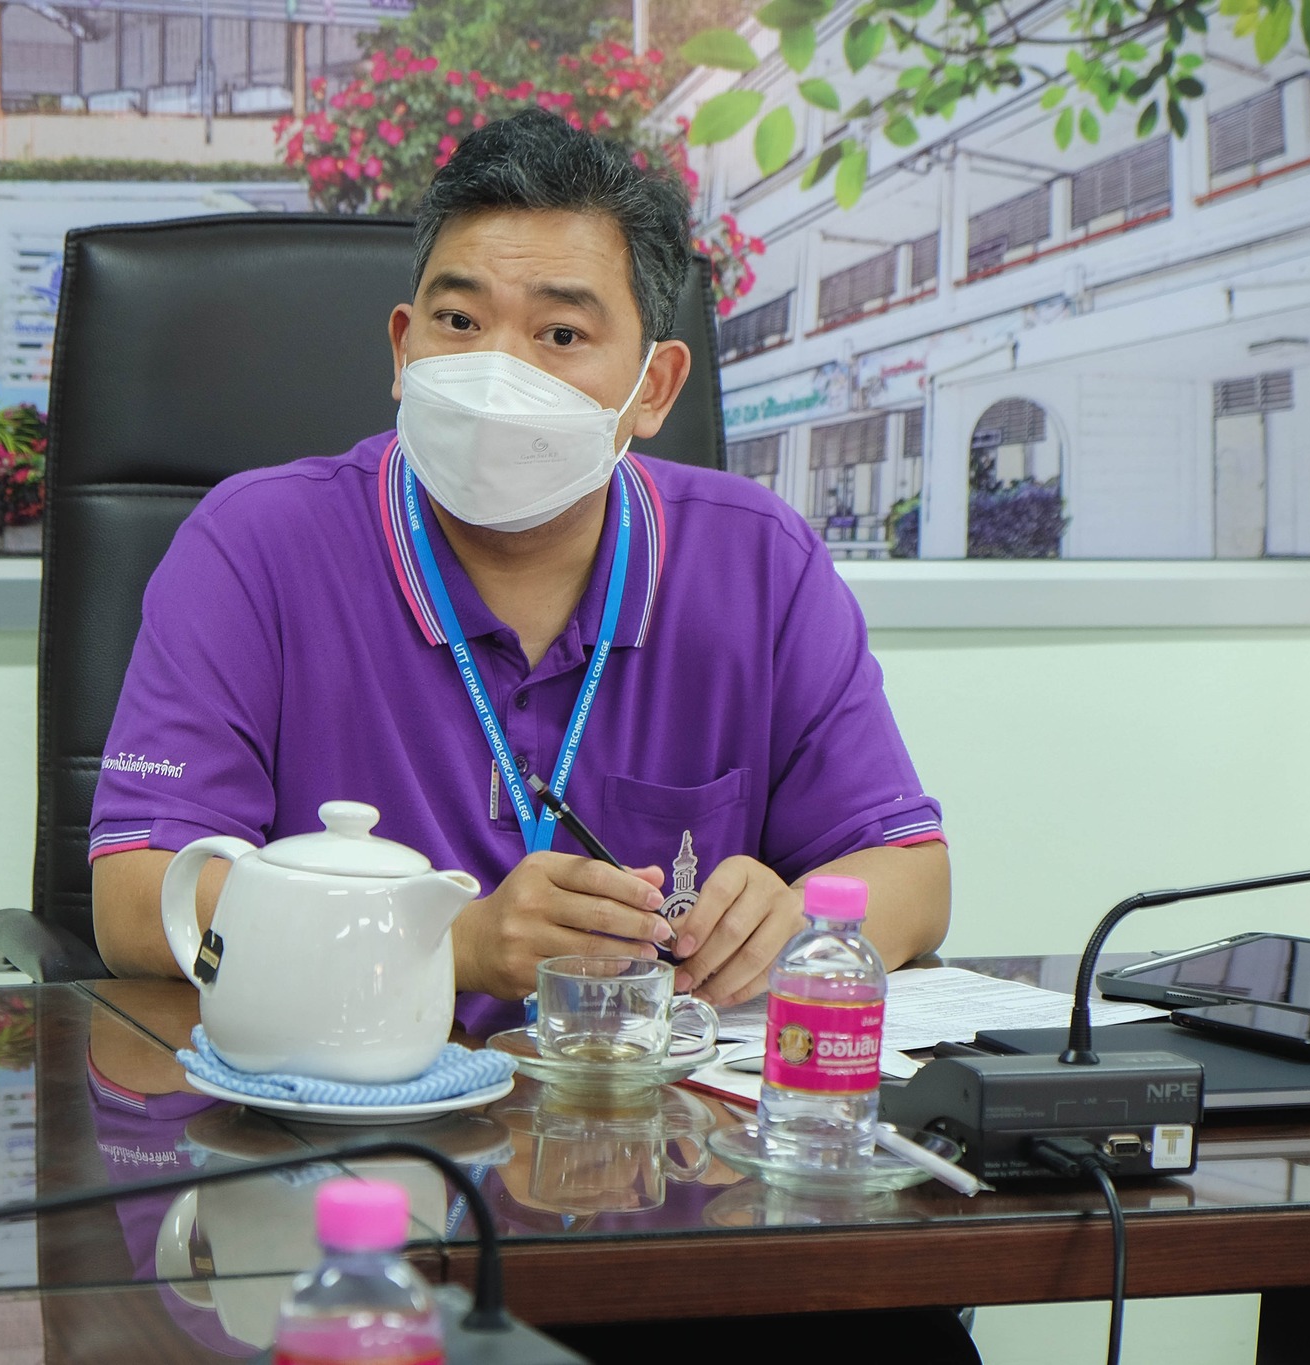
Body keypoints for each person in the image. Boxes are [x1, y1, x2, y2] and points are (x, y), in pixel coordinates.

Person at [87, 109, 950, 1030]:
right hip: (347, 1132)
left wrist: (794, 921)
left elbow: (912, 874)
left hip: (648, 1143)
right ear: (402, 347)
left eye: (561, 336)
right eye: (459, 321)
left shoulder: (758, 562)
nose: (496, 372)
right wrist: (446, 940)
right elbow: (137, 900)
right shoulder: (254, 545)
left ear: (652, 388)